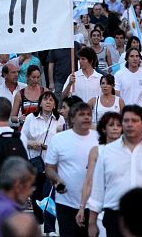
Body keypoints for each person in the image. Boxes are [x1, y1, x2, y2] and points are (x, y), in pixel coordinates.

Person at [88, 105, 142, 237]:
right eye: (126, 121)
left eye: (134, 121)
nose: (129, 125)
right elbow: (98, 189)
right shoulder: (107, 152)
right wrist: (92, 222)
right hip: (116, 215)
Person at [45, 101, 98, 237]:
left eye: (88, 114)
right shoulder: (58, 139)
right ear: (72, 118)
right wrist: (57, 179)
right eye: (81, 114)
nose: (86, 117)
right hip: (66, 202)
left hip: (93, 203)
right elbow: (49, 168)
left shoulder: (99, 138)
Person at [20, 91, 60, 230]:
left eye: (51, 100)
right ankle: (38, 221)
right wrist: (32, 144)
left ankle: (49, 228)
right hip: (35, 161)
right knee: (36, 194)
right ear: (41, 102)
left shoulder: (59, 120)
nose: (48, 102)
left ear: (55, 103)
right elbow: (22, 138)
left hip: (52, 164)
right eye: (45, 99)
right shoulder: (31, 118)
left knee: (48, 195)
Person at [76, 112, 123, 230]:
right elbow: (89, 181)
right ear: (103, 129)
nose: (115, 128)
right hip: (99, 207)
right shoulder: (97, 151)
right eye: (111, 125)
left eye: (118, 125)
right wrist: (82, 207)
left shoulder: (129, 151)